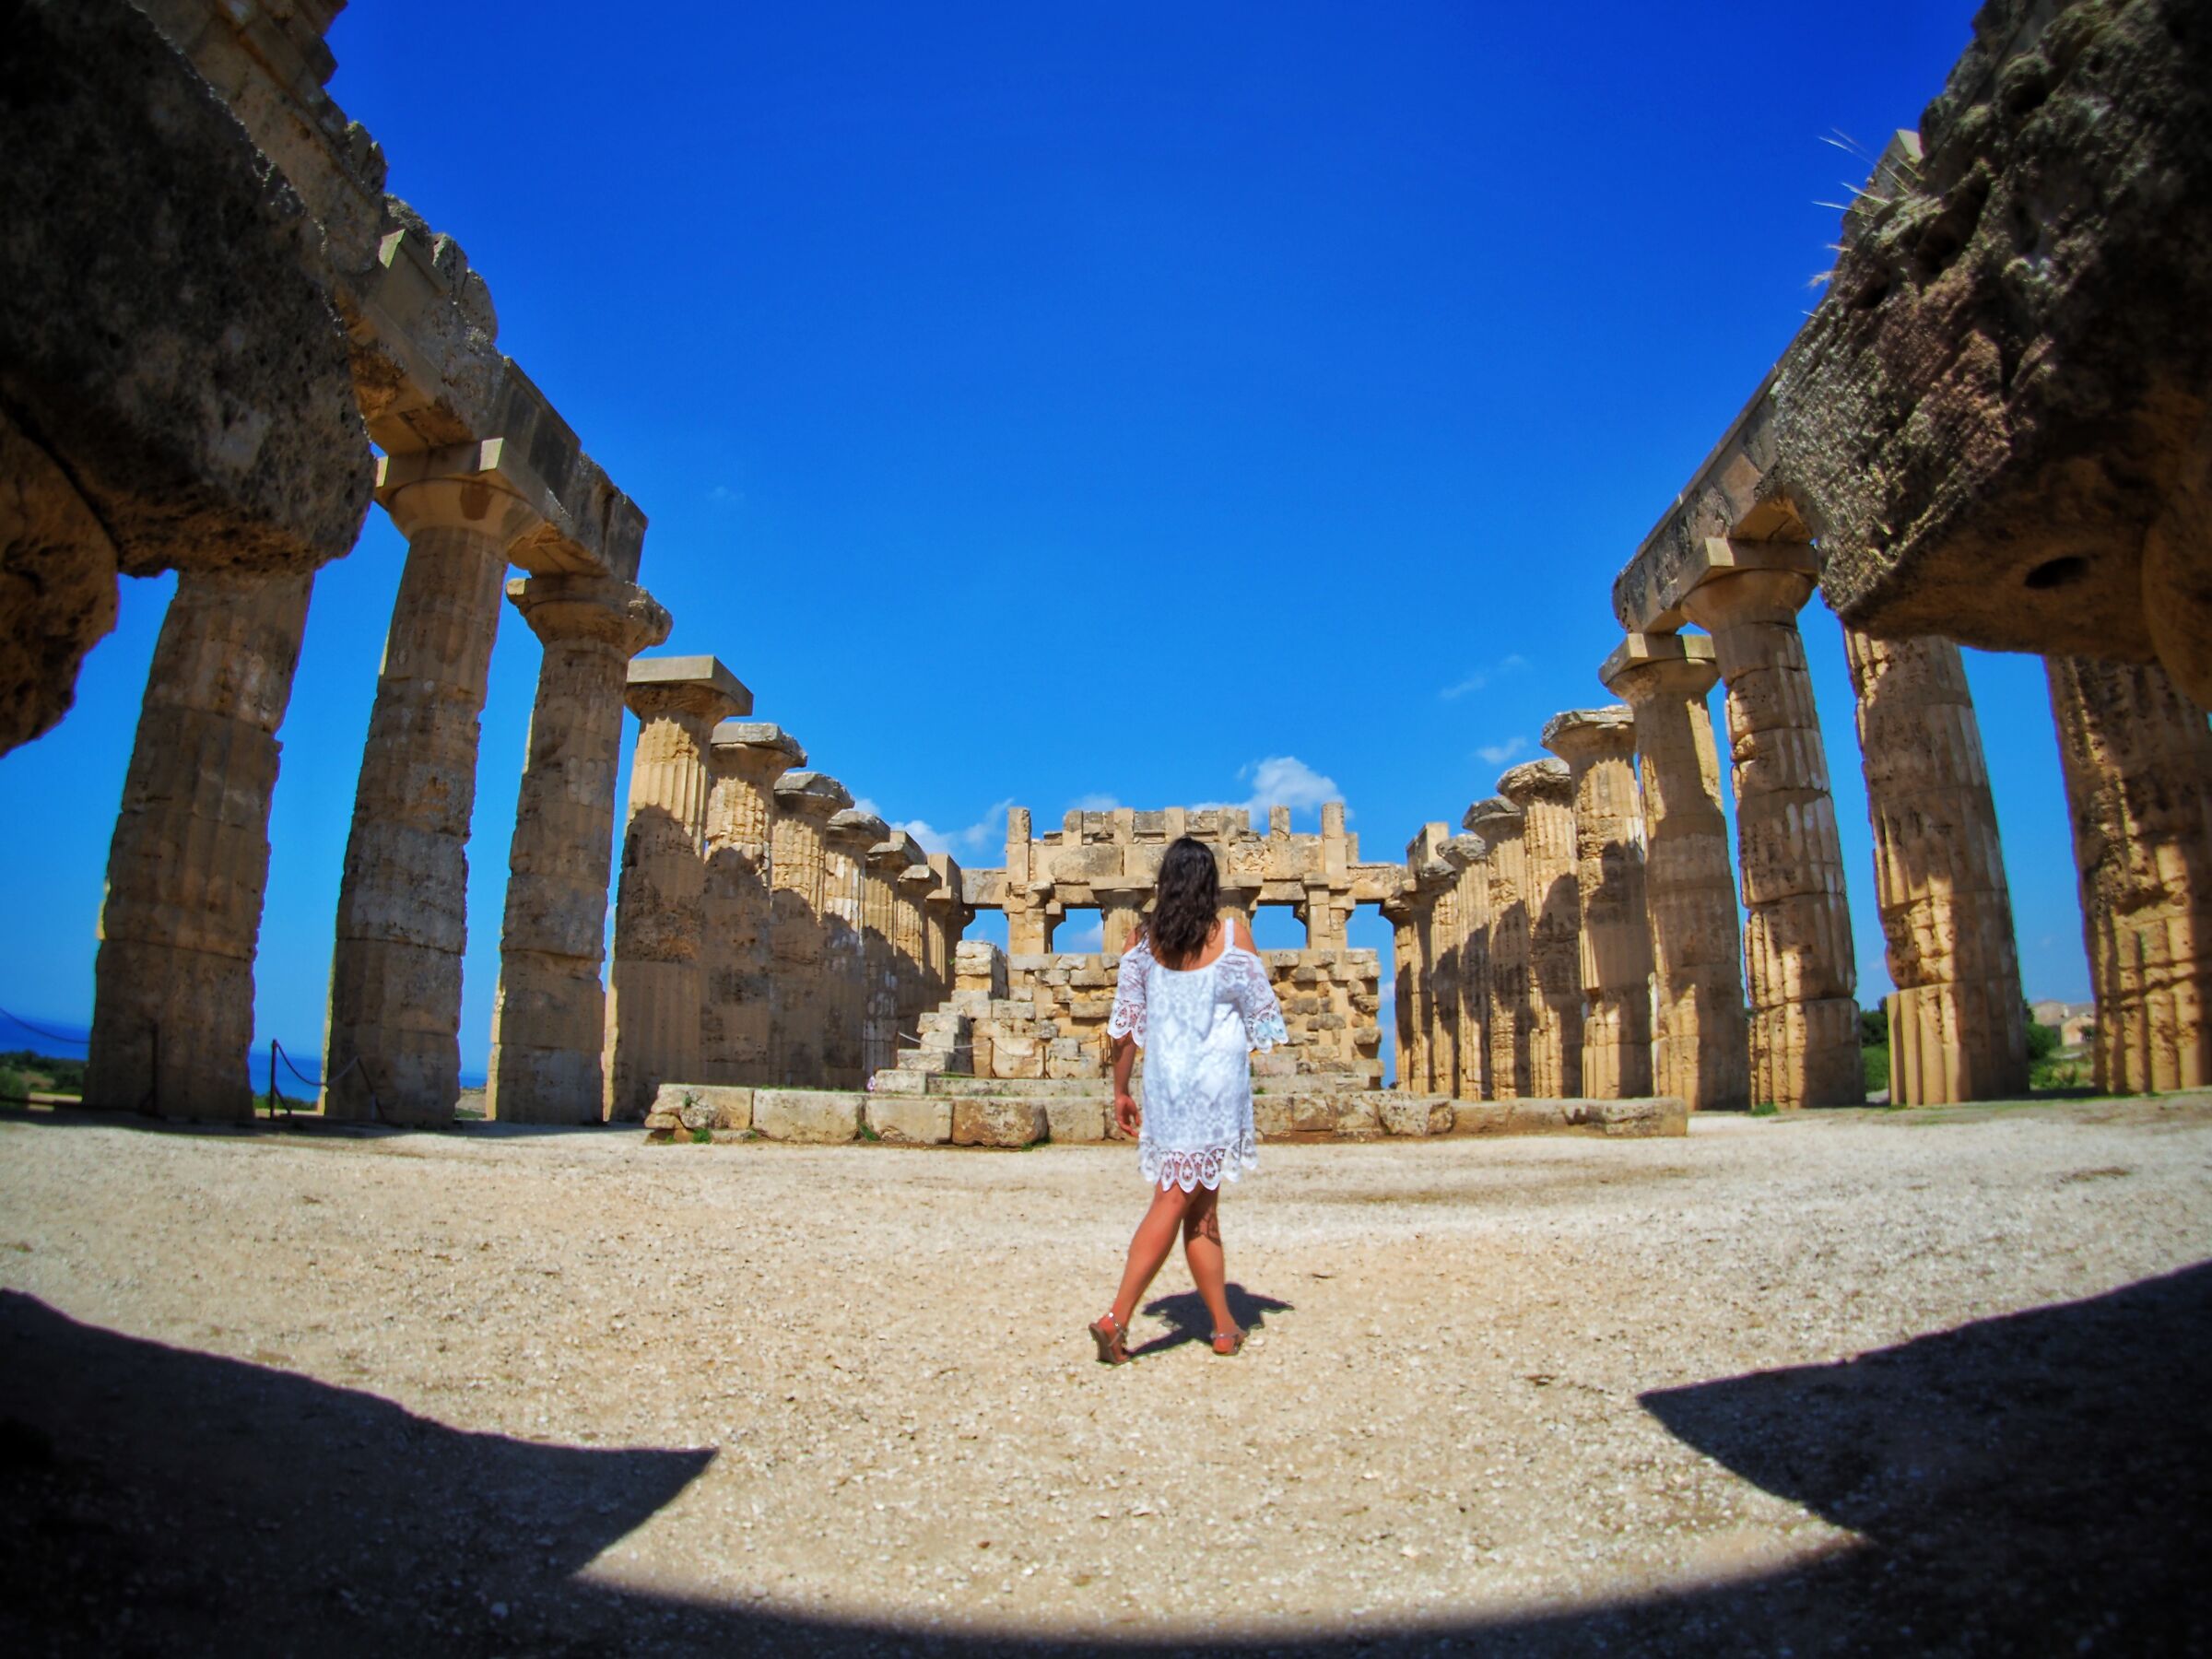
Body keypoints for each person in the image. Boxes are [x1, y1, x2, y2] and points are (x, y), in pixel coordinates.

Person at [1088, 835, 1288, 1364]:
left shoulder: (1141, 943)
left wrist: (1120, 1089)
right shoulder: (1230, 935)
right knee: (1176, 1199)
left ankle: (1224, 1326)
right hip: (1217, 1087)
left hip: (1169, 1086)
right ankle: (1117, 1316)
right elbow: (1262, 1017)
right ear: (1210, 885)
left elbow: (1126, 1030)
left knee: (1200, 1204)